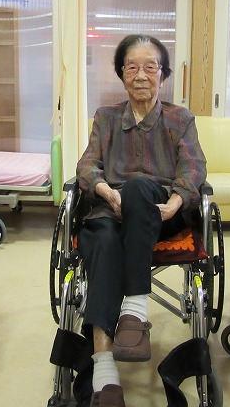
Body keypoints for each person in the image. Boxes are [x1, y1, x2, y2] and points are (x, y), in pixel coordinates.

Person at [75, 34, 207, 406]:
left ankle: (133, 307)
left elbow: (194, 168)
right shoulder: (106, 117)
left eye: (150, 67)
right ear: (121, 74)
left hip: (160, 213)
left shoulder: (180, 118)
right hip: (110, 211)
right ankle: (105, 374)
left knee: (137, 187)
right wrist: (104, 191)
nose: (141, 75)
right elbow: (87, 166)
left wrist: (177, 200)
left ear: (163, 75)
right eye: (131, 67)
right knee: (102, 240)